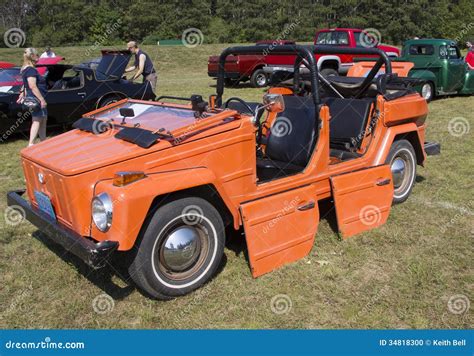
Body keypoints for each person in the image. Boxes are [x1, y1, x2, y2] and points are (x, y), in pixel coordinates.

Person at [17, 48, 48, 146]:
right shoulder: (30, 70)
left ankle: (43, 142)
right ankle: (31, 144)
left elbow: (25, 85)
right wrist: (42, 100)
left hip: (35, 98)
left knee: (43, 119)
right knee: (37, 120)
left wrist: (22, 93)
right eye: (37, 55)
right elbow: (32, 86)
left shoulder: (26, 68)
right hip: (36, 99)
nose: (38, 56)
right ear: (32, 56)